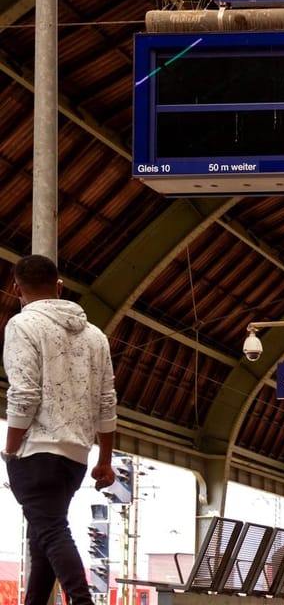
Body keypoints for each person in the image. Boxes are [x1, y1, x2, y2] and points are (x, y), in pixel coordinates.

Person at [3, 254, 118, 605]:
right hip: (75, 458)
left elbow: (23, 394)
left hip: (36, 452)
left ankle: (83, 601)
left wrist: (10, 447)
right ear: (59, 287)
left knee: (52, 531)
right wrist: (105, 460)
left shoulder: (22, 327)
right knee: (42, 539)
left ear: (16, 288)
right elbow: (107, 400)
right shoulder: (96, 336)